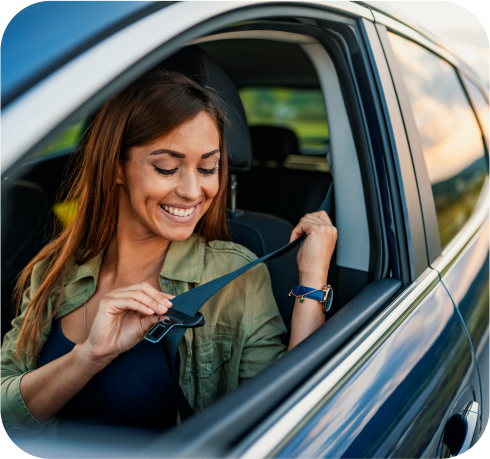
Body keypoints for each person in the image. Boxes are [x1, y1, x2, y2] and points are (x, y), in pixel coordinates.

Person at [0, 70, 337, 438]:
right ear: (116, 166)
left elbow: (289, 414)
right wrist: (88, 357)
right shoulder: (54, 269)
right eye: (167, 168)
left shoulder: (236, 274)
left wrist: (312, 281)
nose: (193, 191)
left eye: (208, 168)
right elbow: (6, 407)